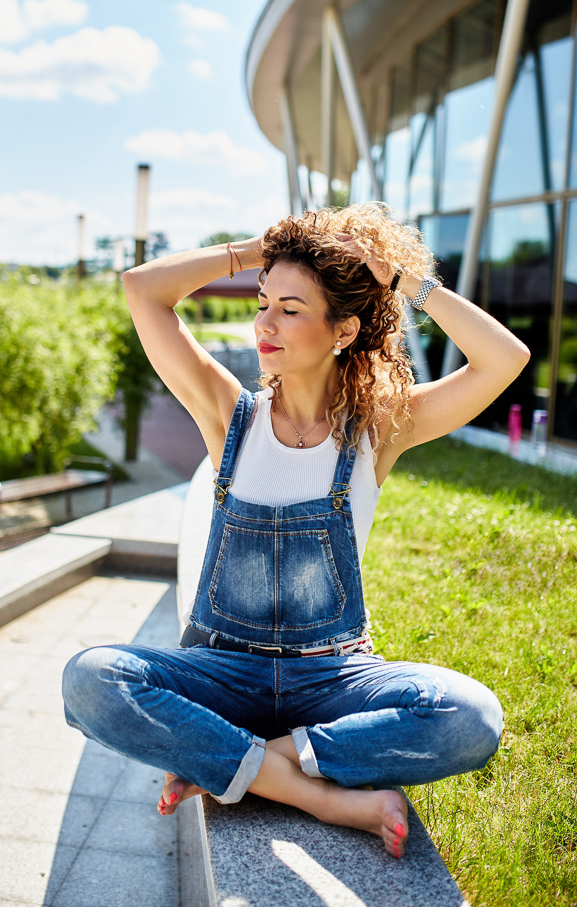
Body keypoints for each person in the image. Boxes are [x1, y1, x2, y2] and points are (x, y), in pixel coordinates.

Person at [62, 203, 529, 859]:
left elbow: (504, 358)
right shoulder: (230, 416)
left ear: (343, 329)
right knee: (91, 679)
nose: (264, 324)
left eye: (289, 308)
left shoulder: (378, 431)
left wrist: (401, 280)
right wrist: (263, 248)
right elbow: (143, 288)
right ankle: (312, 791)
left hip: (333, 680)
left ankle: (242, 765)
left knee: (472, 717)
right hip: (222, 672)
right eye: (262, 303)